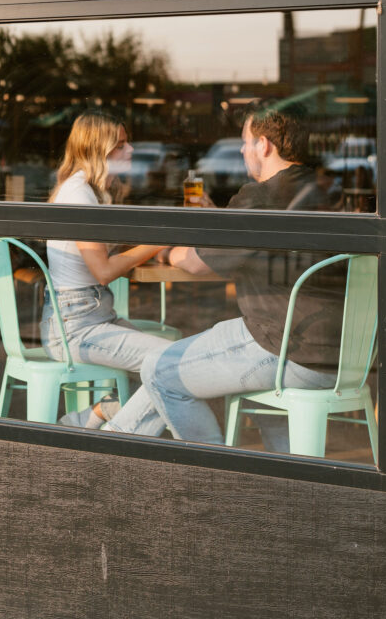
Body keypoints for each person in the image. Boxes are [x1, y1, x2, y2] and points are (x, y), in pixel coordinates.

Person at [103, 104, 344, 452]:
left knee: (159, 369)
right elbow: (256, 241)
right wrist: (219, 216)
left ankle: (214, 470)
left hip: (285, 347)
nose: (243, 151)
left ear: (264, 145)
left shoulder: (259, 196)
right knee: (223, 358)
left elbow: (198, 263)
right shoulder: (323, 190)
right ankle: (294, 477)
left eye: (245, 142)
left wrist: (168, 252)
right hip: (343, 355)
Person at [41, 110, 172, 428]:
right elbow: (102, 270)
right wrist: (158, 242)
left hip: (93, 314)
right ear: (97, 150)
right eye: (120, 145)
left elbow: (106, 257)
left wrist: (148, 249)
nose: (130, 150)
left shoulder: (95, 192)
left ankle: (97, 416)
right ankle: (117, 432)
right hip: (75, 328)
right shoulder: (78, 194)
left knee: (181, 362)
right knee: (171, 363)